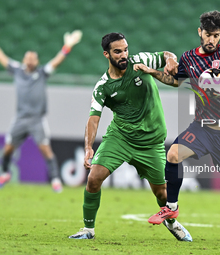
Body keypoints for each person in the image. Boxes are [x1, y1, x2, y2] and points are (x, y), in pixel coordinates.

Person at [68, 32, 192, 241]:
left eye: (125, 49)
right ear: (106, 54)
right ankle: (88, 229)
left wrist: (171, 59)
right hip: (121, 138)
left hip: (151, 143)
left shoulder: (140, 61)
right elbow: (93, 118)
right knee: (94, 179)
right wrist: (89, 147)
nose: (124, 55)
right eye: (118, 51)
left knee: (162, 193)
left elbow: (165, 55)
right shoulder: (103, 87)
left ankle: (171, 222)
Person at [146, 10, 220, 245]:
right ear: (200, 32)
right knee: (173, 154)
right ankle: (171, 208)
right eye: (207, 34)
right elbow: (175, 81)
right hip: (202, 127)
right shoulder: (188, 58)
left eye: (216, 35)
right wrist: (152, 72)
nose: (211, 40)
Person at [0, 26, 82, 193]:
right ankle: (4, 173)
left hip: (37, 119)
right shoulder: (17, 71)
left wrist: (67, 47)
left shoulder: (42, 72)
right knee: (8, 149)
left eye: (33, 58)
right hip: (20, 119)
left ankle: (55, 180)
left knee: (46, 150)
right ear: (24, 60)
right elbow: (2, 58)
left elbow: (56, 61)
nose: (30, 60)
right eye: (28, 58)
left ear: (36, 61)